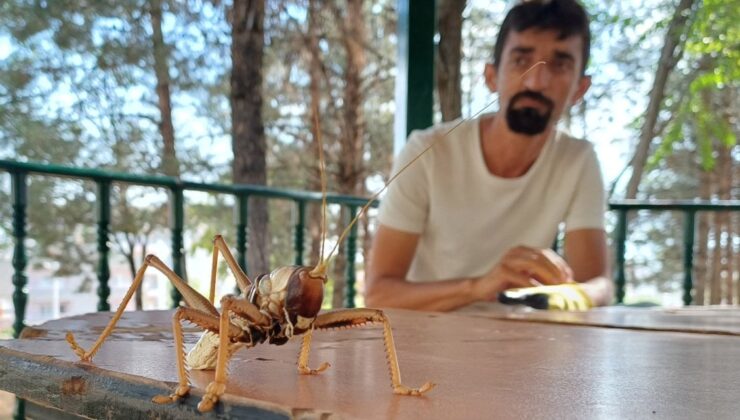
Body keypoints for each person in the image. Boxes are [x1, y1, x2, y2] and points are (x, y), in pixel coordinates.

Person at [366, 0, 613, 312]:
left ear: (580, 89)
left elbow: (597, 284)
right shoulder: (427, 151)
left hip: (519, 344)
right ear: (491, 76)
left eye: (560, 64)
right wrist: (479, 287)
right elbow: (378, 294)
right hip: (422, 342)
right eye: (521, 60)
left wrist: (566, 295)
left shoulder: (579, 159)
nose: (536, 81)